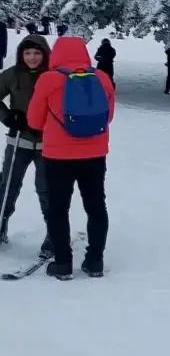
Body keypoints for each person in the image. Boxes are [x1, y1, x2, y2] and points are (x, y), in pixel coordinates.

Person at [26, 36, 115, 279]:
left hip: (58, 155)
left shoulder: (49, 79)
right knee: (96, 205)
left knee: (58, 207)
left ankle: (63, 263)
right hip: (95, 154)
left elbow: (34, 120)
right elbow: (108, 117)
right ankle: (95, 261)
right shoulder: (102, 78)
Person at [0, 35, 52, 255]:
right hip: (19, 139)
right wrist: (7, 116)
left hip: (47, 144)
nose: (32, 58)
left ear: (45, 54)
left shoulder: (53, 76)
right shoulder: (12, 74)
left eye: (37, 53)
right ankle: (1, 225)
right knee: (8, 186)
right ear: (22, 54)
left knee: (47, 189)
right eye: (28, 53)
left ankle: (54, 234)